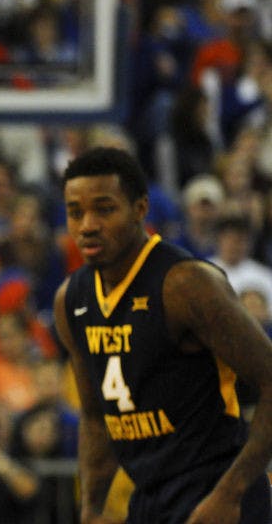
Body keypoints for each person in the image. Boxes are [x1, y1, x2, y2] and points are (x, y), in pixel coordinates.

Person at [53, 146, 272, 523]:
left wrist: (232, 492)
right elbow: (94, 418)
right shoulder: (70, 300)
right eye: (75, 213)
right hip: (149, 497)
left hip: (214, 487)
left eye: (104, 209)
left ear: (140, 209)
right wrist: (89, 509)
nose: (87, 224)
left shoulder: (186, 284)